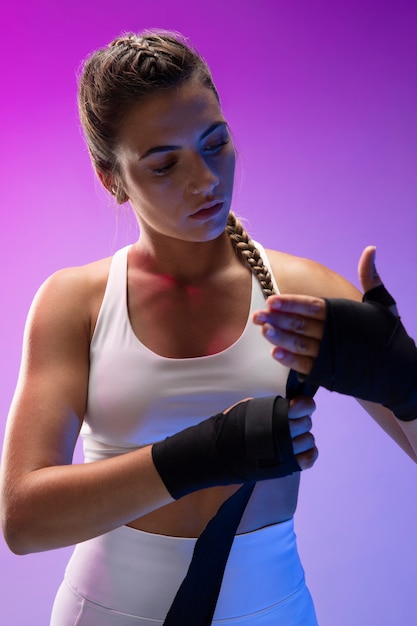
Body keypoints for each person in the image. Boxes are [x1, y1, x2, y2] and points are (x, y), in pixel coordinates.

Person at [1, 30, 416, 626]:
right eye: (164, 163)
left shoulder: (305, 294)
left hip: (273, 612)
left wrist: (408, 382)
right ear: (110, 178)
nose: (205, 181)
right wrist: (204, 454)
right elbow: (22, 519)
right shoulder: (76, 303)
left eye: (215, 143)